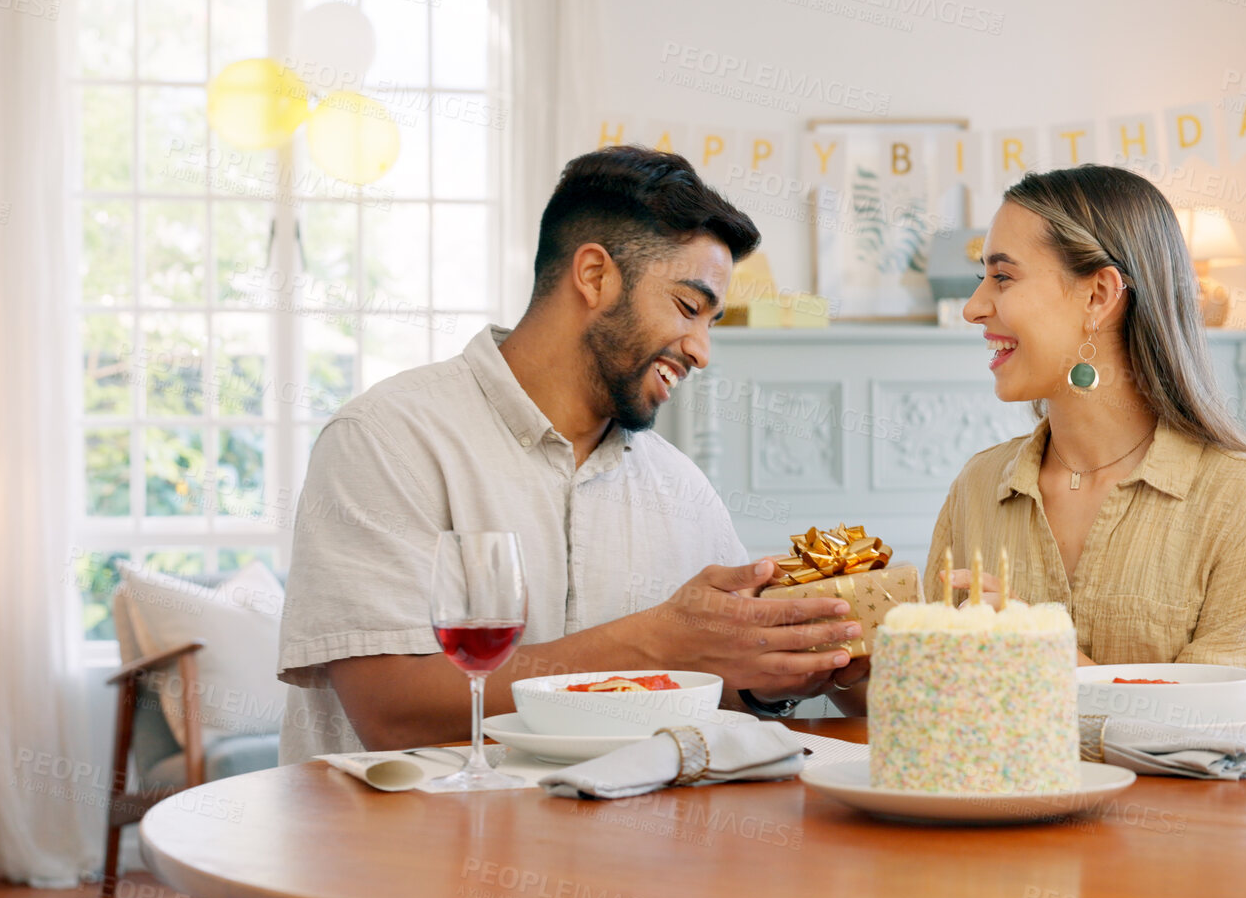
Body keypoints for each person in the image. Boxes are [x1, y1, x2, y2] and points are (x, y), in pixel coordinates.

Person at [276, 146, 858, 761]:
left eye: (711, 322)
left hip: (616, 850)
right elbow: (393, 717)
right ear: (595, 276)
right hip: (408, 853)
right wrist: (656, 643)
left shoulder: (680, 486)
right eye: (689, 308)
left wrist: (773, 677)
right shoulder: (385, 439)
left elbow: (715, 684)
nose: (701, 350)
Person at [832, 164, 1246, 721]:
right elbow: (933, 710)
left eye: (1003, 278)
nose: (973, 307)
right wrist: (851, 671)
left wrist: (1045, 657)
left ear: (1099, 296)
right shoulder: (980, 486)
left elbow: (1241, 733)